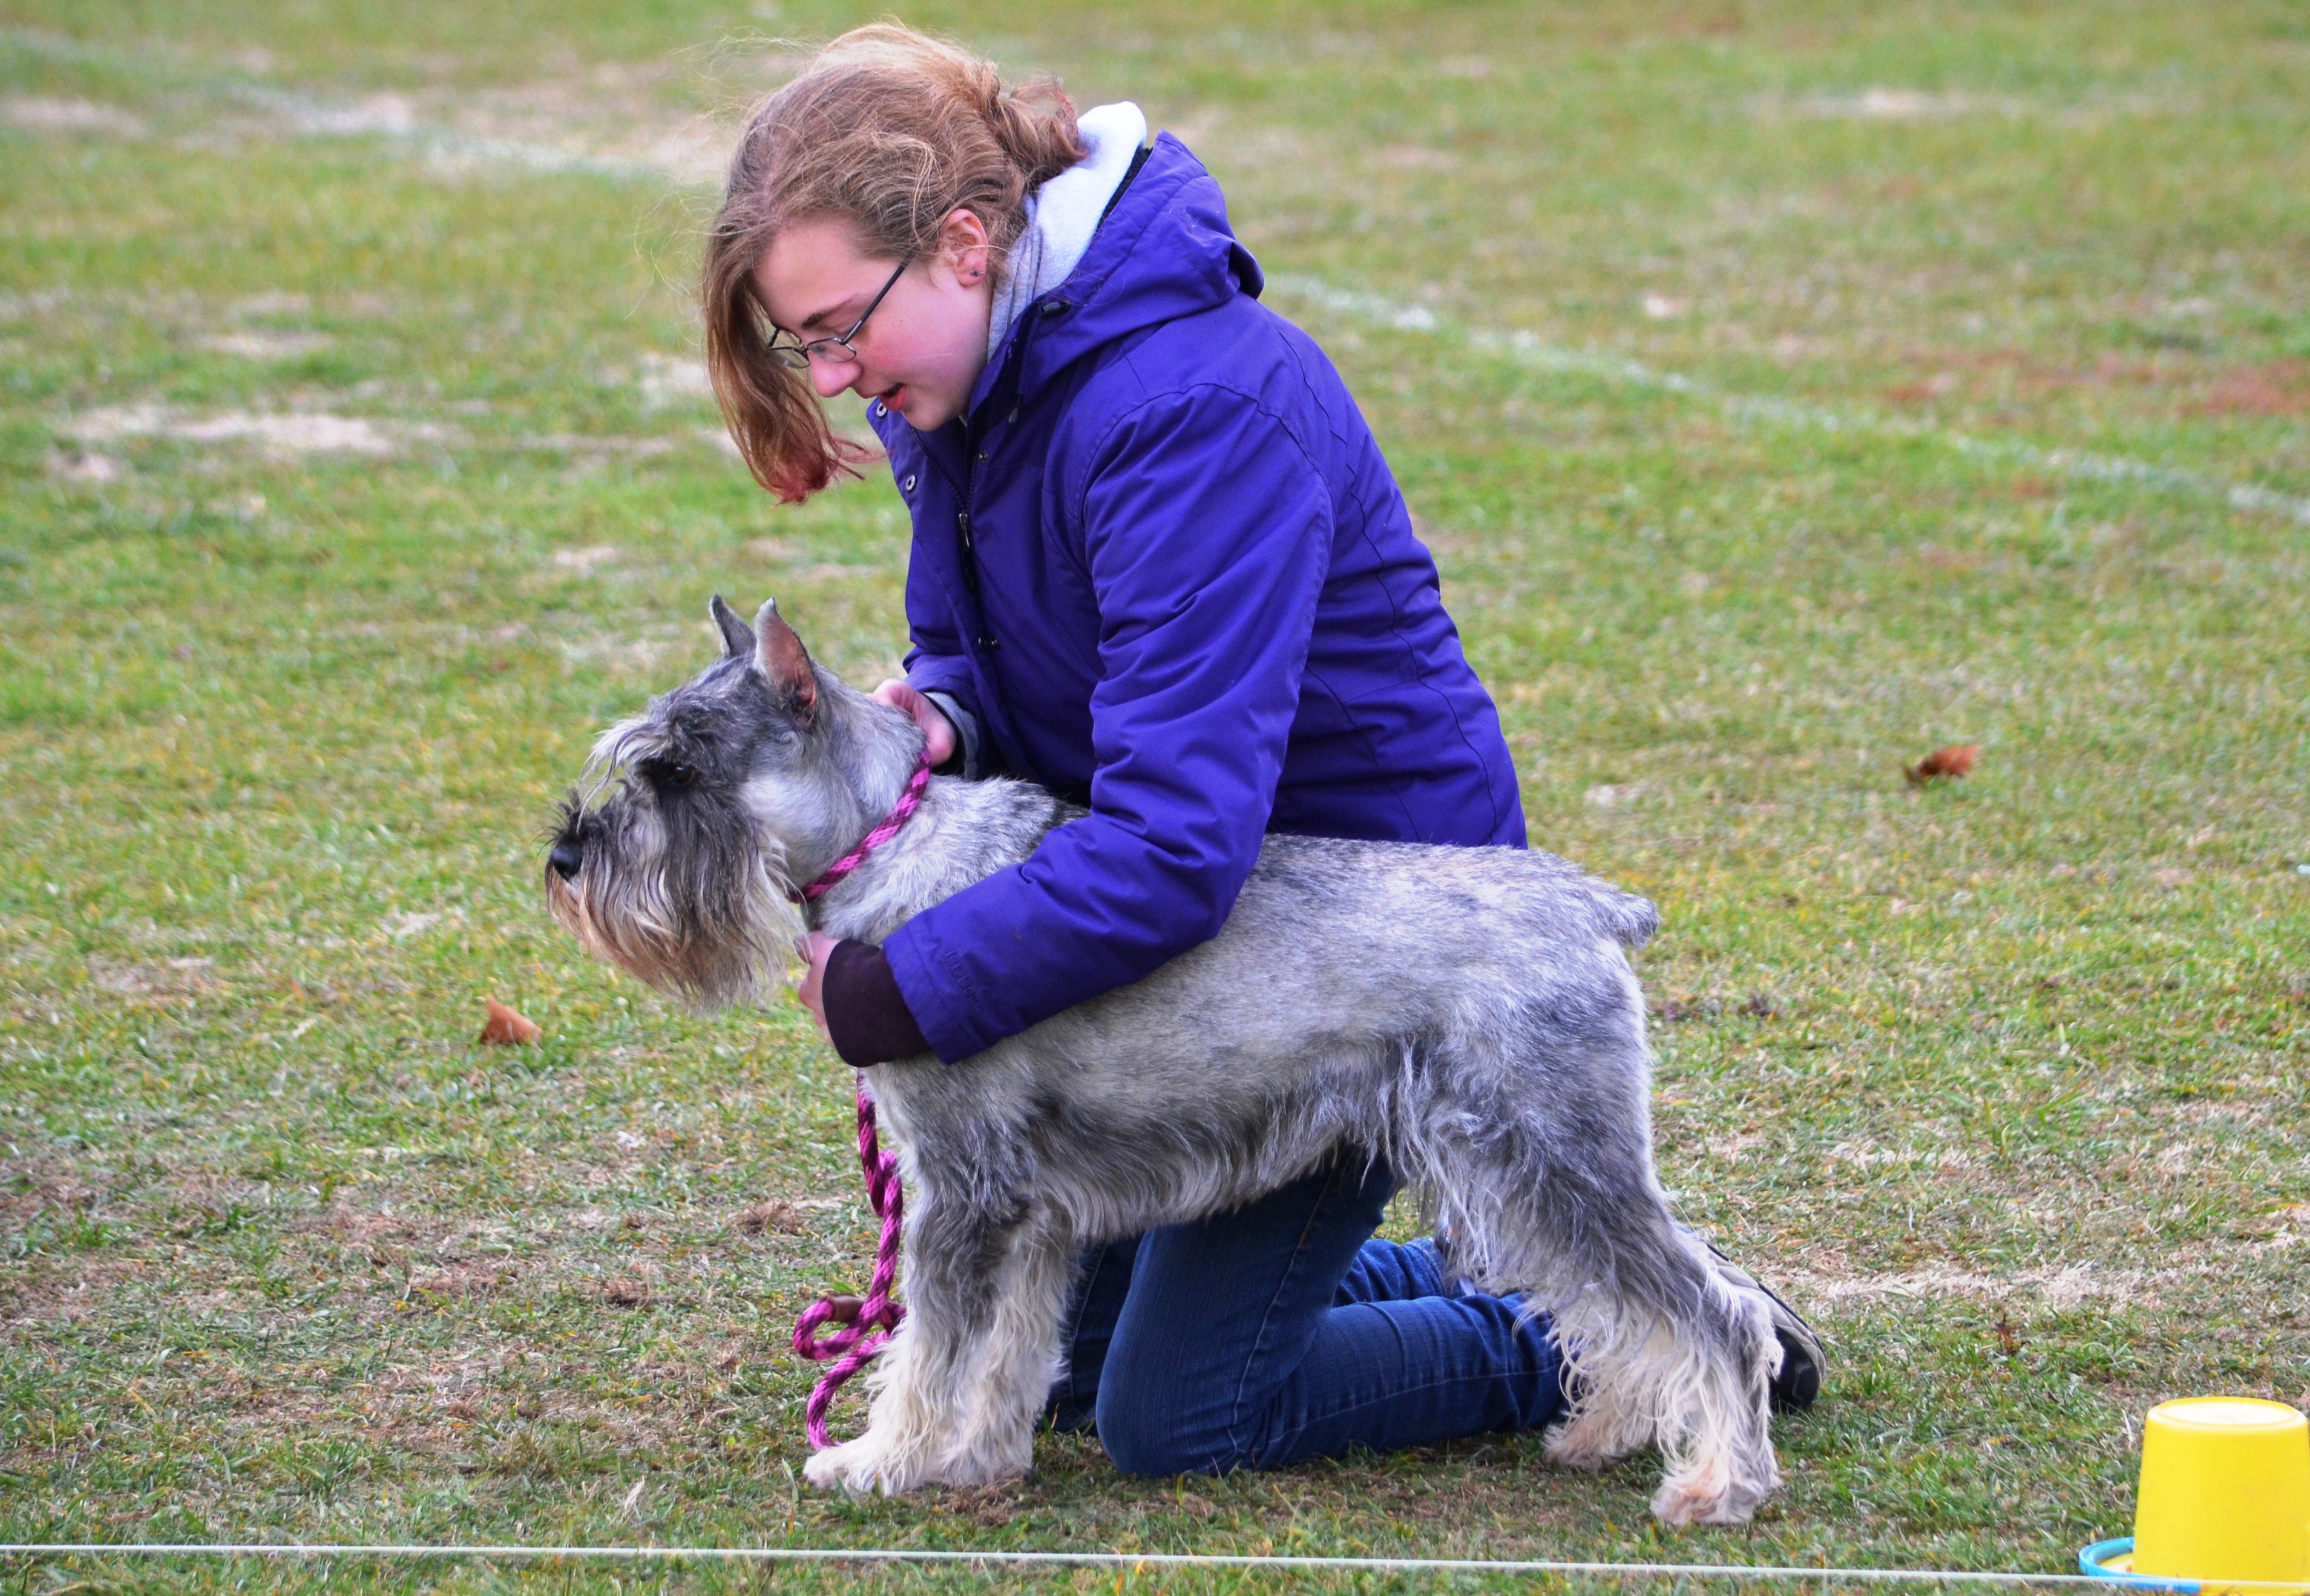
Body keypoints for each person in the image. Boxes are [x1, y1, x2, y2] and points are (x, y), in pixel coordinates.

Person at [701, 24, 1820, 1478]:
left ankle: (1651, 1318)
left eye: (845, 325)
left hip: (1366, 951)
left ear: (965, 243)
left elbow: (1174, 841)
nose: (838, 374)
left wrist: (901, 983)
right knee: (1072, 1372)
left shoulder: (1191, 411)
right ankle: (1570, 1272)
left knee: (1181, 1414)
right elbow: (985, 646)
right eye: (808, 344)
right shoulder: (962, 385)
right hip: (1170, 952)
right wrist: (944, 712)